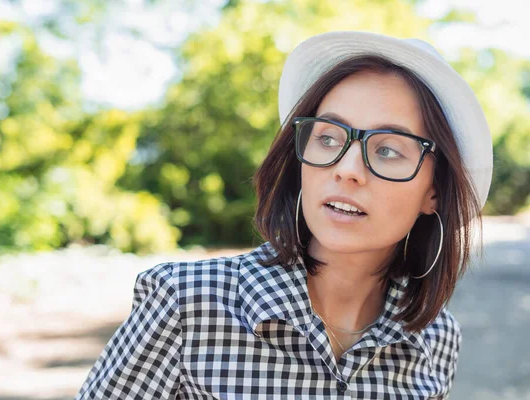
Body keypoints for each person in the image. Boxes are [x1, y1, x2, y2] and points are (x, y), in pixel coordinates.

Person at [75, 31, 492, 399]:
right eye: (329, 137)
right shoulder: (185, 304)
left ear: (434, 192)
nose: (347, 168)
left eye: (387, 150)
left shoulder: (435, 339)